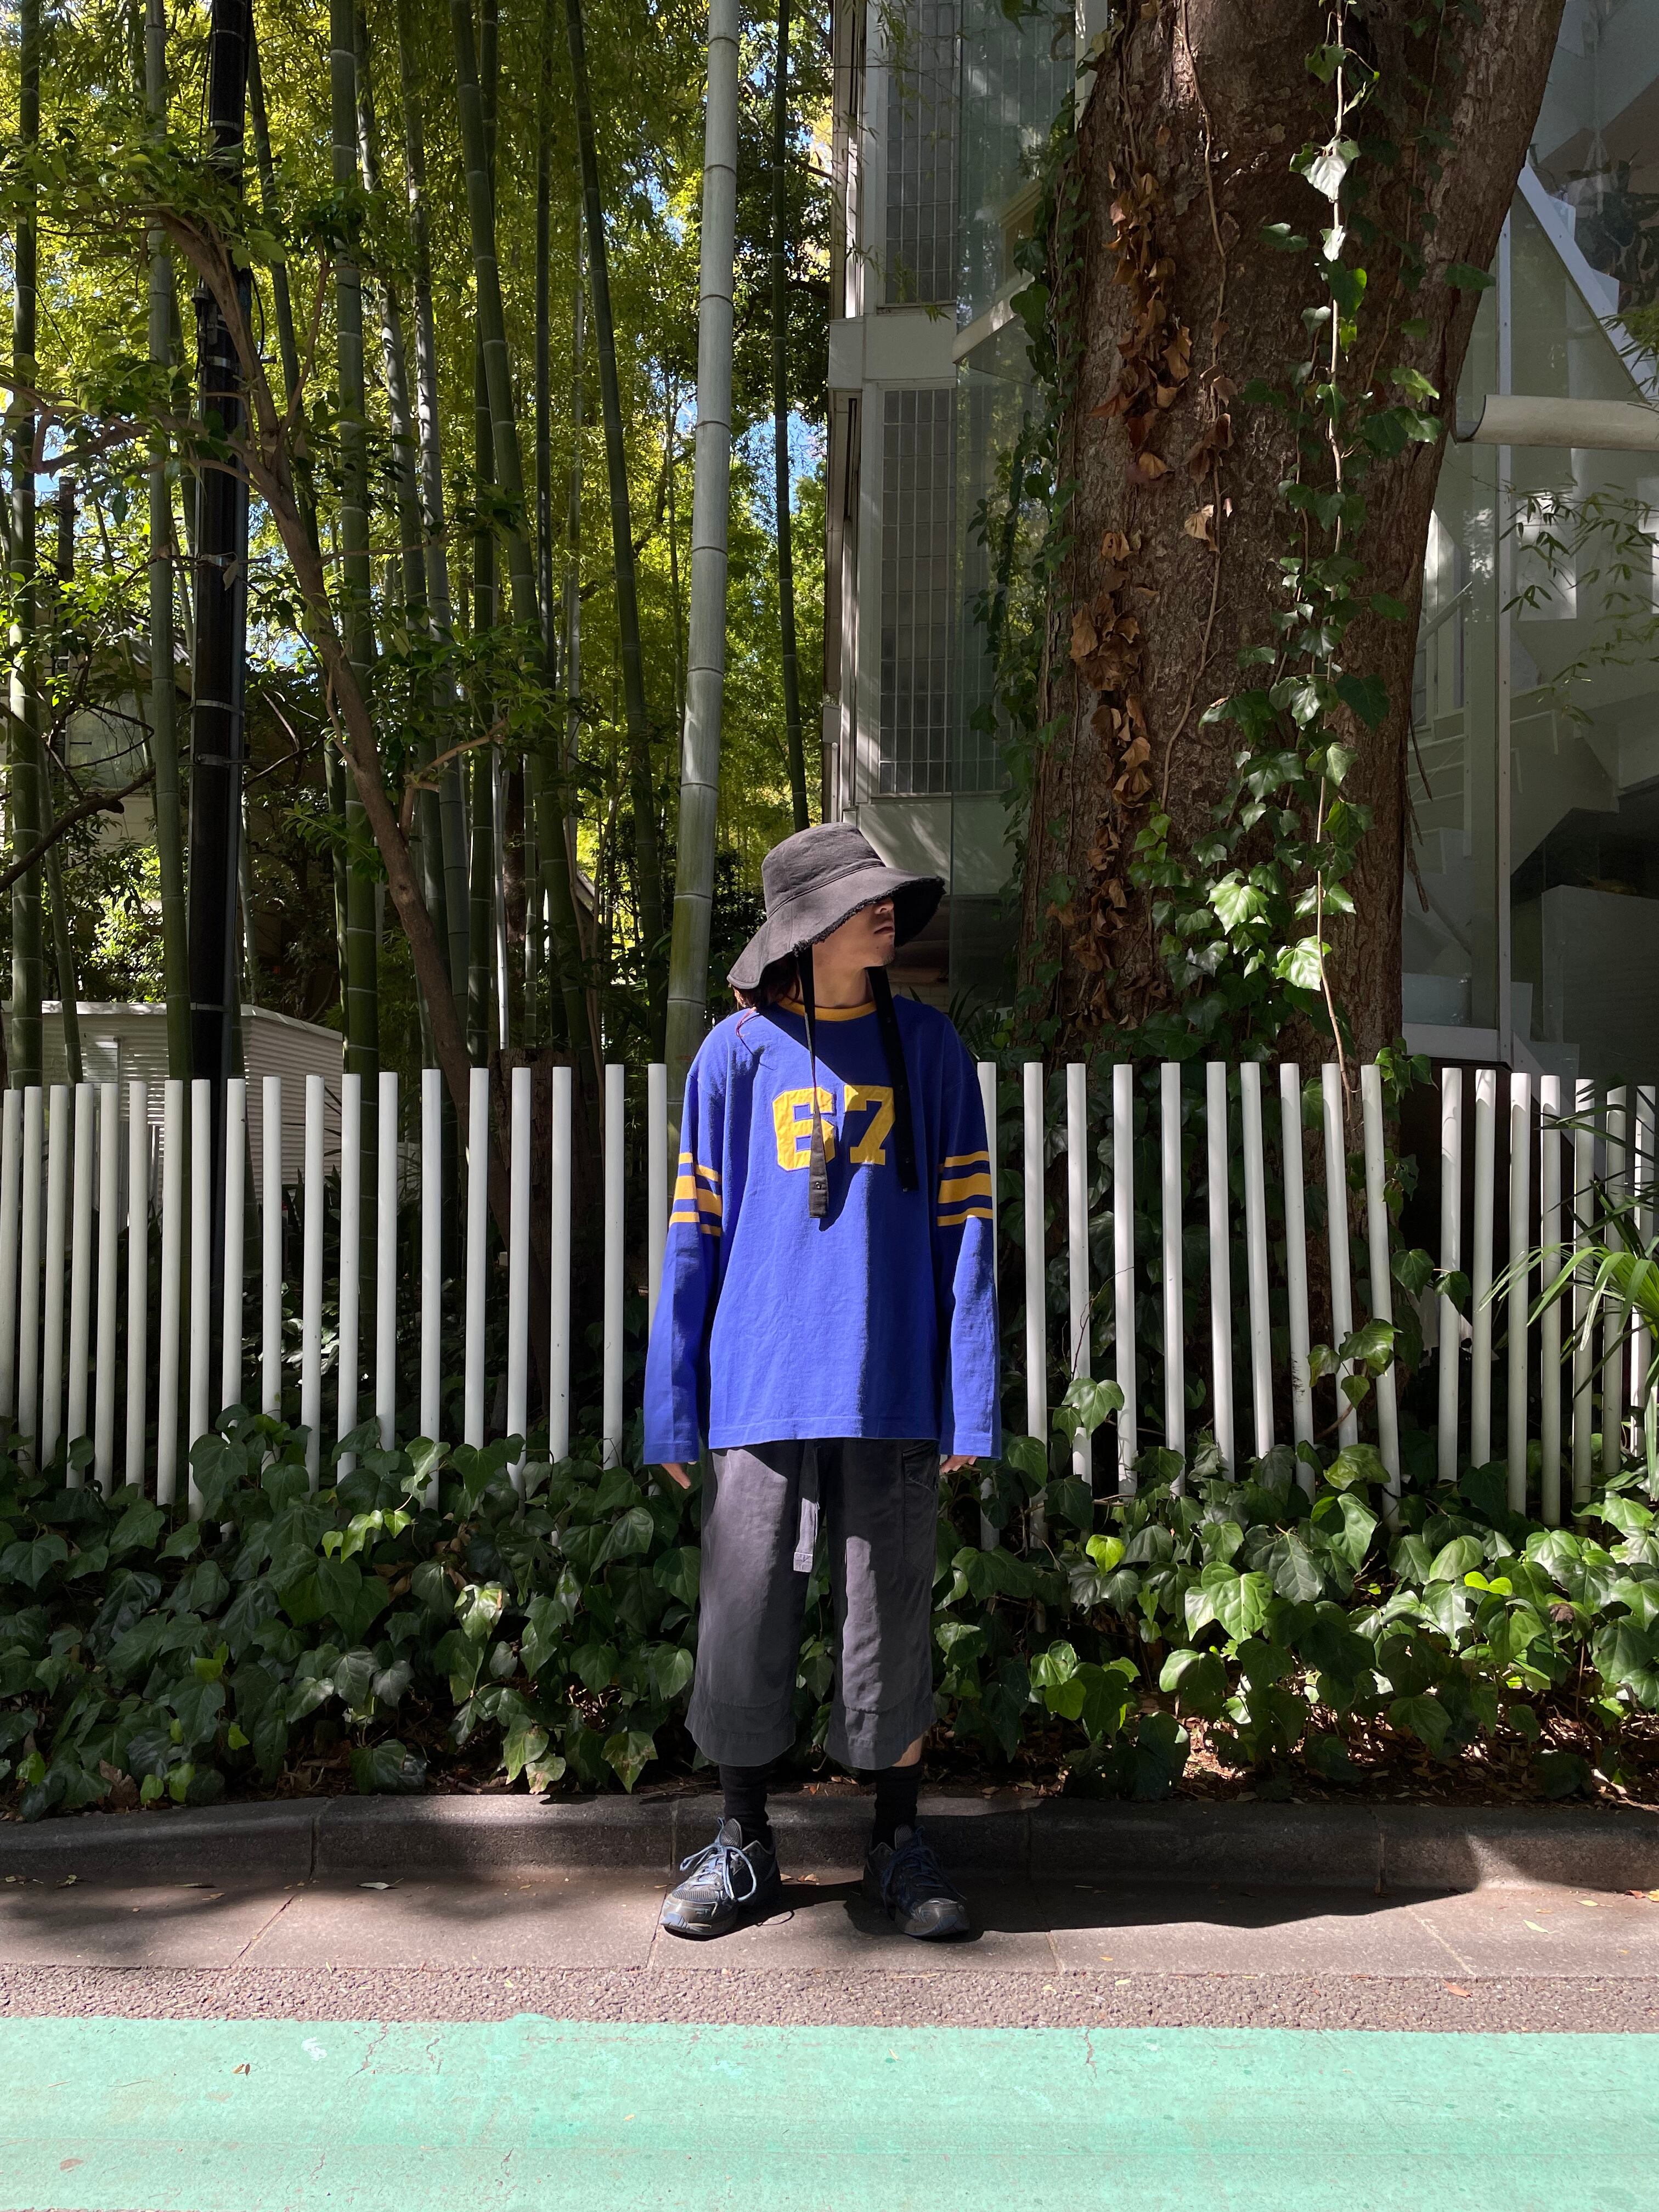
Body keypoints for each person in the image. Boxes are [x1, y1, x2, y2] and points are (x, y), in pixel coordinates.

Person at [644, 821, 1001, 1943]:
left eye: (886, 893)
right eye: (859, 900)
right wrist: (672, 1402)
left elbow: (968, 1230)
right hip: (757, 1387)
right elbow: (692, 1237)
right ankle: (744, 1841)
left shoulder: (930, 1048)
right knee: (743, 1622)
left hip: (889, 1387)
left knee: (889, 1625)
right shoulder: (732, 1057)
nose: (885, 909)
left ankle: (896, 1841)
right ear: (804, 930)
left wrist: (970, 1396)